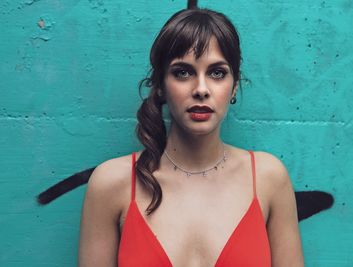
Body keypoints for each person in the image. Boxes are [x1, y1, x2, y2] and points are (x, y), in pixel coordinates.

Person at [78, 7, 304, 267]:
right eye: (183, 72)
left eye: (217, 73)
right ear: (160, 85)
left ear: (235, 85)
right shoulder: (111, 183)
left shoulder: (267, 178)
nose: (201, 89)